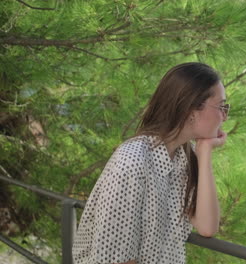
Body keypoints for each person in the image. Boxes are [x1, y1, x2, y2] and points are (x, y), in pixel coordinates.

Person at [72, 62, 229, 264]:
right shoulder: (133, 161)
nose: (225, 115)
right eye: (221, 106)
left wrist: (204, 152)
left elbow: (207, 227)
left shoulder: (182, 157)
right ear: (192, 109)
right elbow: (118, 260)